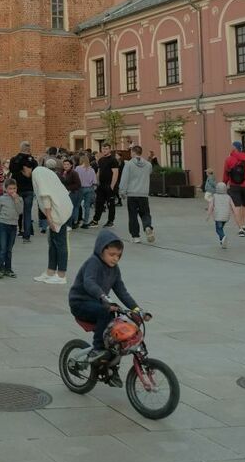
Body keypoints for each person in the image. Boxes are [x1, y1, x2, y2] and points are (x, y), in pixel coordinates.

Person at [68, 229, 142, 386]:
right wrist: (103, 296)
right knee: (105, 312)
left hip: (99, 303)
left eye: (118, 256)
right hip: (80, 302)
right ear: (101, 250)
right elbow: (89, 282)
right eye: (112, 254)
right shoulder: (93, 262)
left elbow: (121, 291)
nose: (115, 259)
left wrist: (136, 309)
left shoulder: (114, 269)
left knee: (120, 331)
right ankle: (97, 348)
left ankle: (110, 370)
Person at [29, 159, 73, 285]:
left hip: (58, 212)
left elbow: (45, 195)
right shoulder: (44, 172)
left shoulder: (38, 173)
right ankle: (50, 271)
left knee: (60, 243)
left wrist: (49, 218)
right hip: (60, 208)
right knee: (53, 243)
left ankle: (61, 275)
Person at [222, 141, 245, 237]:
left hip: (234, 186)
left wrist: (224, 184)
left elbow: (226, 173)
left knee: (236, 207)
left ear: (234, 148)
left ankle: (240, 228)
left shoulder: (228, 159)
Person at [0, 179, 23, 278]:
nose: (12, 190)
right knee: (2, 248)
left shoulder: (19, 199)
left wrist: (16, 200)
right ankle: (0, 268)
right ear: (6, 189)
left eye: (14, 188)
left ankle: (8, 269)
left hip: (13, 226)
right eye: (10, 188)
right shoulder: (2, 199)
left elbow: (20, 211)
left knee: (9, 249)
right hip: (3, 225)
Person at [120, 146, 154, 244]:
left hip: (132, 193)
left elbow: (125, 178)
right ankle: (147, 226)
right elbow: (149, 173)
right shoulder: (148, 165)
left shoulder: (129, 164)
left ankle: (136, 236)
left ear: (133, 152)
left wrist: (122, 191)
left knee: (133, 215)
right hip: (143, 194)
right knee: (145, 213)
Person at [8, 142, 38, 241]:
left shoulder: (15, 159)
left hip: (18, 189)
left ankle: (16, 231)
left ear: (20, 148)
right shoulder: (33, 160)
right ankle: (27, 235)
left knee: (16, 211)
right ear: (28, 149)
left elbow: (12, 170)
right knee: (27, 212)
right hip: (29, 189)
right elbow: (36, 171)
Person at [92, 143, 120, 228]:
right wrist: (97, 182)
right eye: (103, 149)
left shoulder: (113, 160)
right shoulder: (101, 160)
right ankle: (95, 220)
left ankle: (110, 221)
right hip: (101, 186)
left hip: (110, 186)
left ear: (110, 150)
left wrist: (112, 186)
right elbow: (99, 172)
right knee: (99, 203)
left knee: (110, 204)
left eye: (106, 149)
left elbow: (115, 173)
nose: (104, 150)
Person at [207, 182, 234, 249]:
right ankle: (222, 242)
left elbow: (211, 206)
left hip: (218, 216)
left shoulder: (214, 196)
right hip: (226, 217)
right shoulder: (228, 197)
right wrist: (235, 213)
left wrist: (208, 215)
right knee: (221, 228)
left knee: (218, 229)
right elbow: (233, 206)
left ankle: (223, 237)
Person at [59, 157, 83, 228]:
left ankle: (74, 222)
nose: (66, 166)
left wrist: (67, 188)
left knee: (73, 208)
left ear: (71, 165)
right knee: (68, 208)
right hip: (66, 193)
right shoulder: (62, 172)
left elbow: (78, 184)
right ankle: (69, 222)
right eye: (64, 164)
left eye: (67, 164)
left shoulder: (74, 173)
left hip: (74, 192)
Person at [75, 153, 97, 228]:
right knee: (87, 206)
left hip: (80, 188)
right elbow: (94, 182)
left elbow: (76, 179)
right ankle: (85, 222)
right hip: (89, 188)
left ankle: (76, 221)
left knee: (77, 206)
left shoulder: (78, 168)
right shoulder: (91, 169)